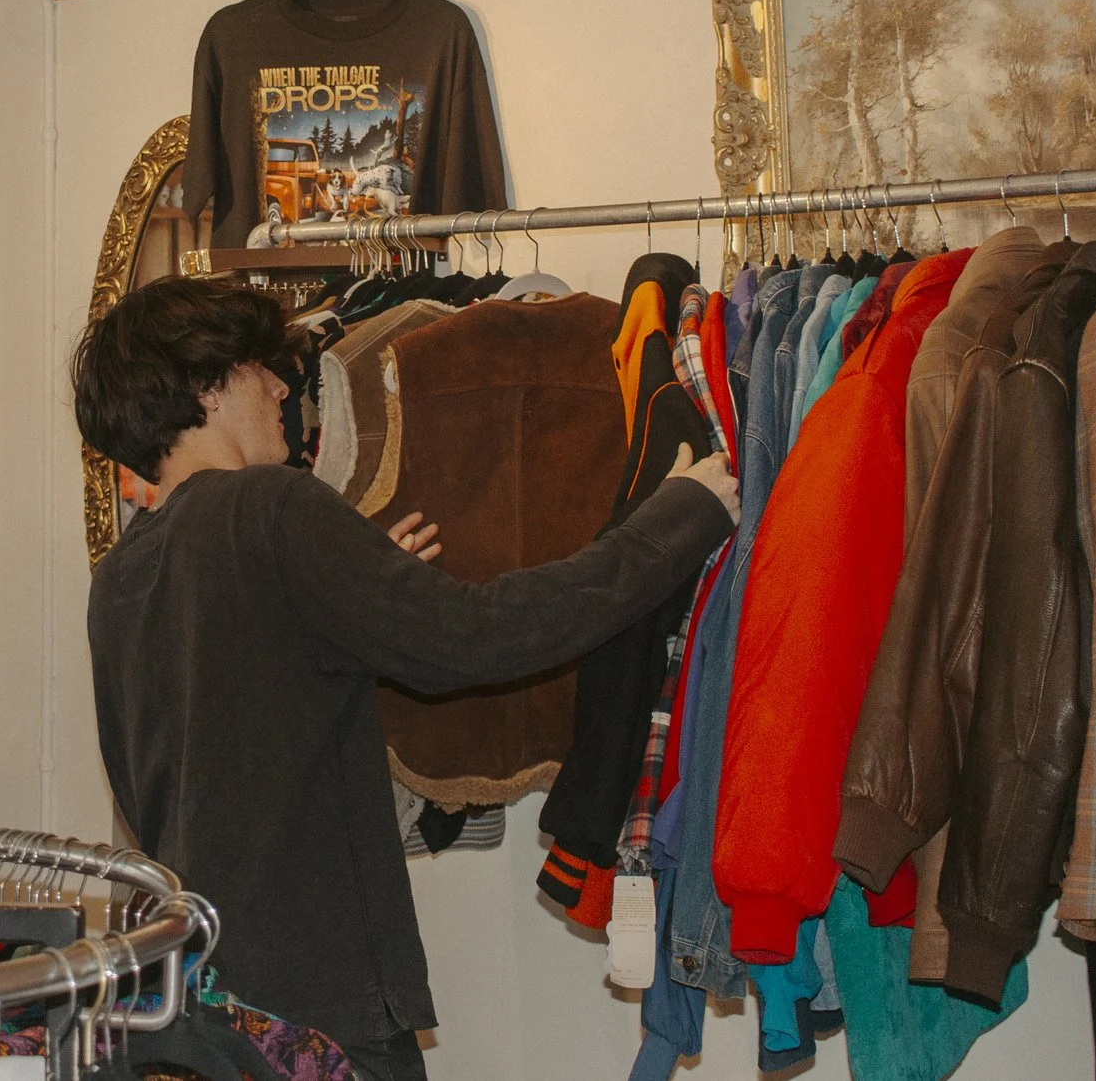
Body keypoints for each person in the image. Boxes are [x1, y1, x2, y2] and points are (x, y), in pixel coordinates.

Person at [75, 278, 739, 1081]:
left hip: (200, 999)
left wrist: (356, 591)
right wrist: (678, 517)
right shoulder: (270, 507)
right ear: (206, 388)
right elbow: (481, 636)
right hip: (320, 1008)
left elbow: (187, 752)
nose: (282, 388)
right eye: (257, 368)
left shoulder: (122, 575)